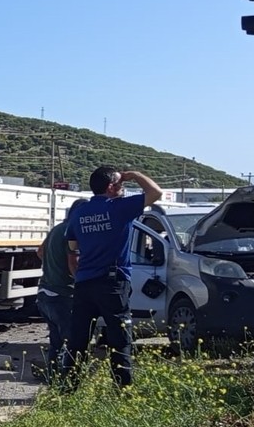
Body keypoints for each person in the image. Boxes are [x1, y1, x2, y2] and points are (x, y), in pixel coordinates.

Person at [57, 167, 162, 389]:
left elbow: (73, 249)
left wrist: (81, 275)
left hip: (85, 283)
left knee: (78, 339)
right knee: (120, 338)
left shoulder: (79, 212)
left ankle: (69, 387)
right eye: (121, 184)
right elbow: (156, 193)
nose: (124, 188)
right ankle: (122, 389)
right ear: (111, 187)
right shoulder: (119, 208)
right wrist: (135, 174)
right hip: (113, 282)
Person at [34, 199, 86, 381]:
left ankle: (53, 376)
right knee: (71, 340)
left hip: (45, 293)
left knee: (56, 342)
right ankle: (68, 380)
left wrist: (53, 266)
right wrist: (82, 283)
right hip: (62, 294)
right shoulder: (72, 232)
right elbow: (73, 263)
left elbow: (40, 252)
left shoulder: (56, 229)